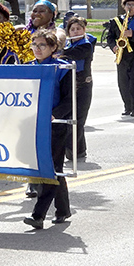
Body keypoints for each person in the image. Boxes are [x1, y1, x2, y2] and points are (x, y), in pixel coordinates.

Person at [23, 30, 73, 229]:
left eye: (42, 45)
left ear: (53, 48)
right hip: (33, 124)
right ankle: (63, 209)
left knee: (49, 169)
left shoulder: (63, 69)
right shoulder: (27, 68)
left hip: (55, 126)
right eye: (34, 44)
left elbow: (70, 99)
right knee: (54, 169)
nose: (37, 49)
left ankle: (38, 215)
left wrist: (54, 114)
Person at [106, 0, 134, 116]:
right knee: (123, 82)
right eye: (128, 4)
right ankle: (127, 107)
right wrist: (113, 46)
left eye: (133, 5)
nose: (130, 7)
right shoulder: (117, 21)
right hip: (122, 55)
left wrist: (133, 34)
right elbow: (110, 37)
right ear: (124, 6)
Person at [60, 16, 96, 160]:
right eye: (72, 29)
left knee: (79, 119)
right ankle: (79, 150)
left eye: (78, 29)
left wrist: (60, 51)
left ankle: (74, 152)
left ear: (84, 30)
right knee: (69, 118)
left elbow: (77, 54)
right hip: (69, 85)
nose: (75, 32)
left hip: (83, 85)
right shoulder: (67, 44)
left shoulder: (86, 44)